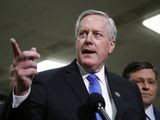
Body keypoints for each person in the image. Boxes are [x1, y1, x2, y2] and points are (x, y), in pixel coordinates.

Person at [1, 9, 146, 120]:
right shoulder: (46, 83)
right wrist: (21, 91)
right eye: (82, 33)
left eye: (97, 34)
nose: (88, 40)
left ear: (111, 45)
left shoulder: (130, 90)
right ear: (76, 41)